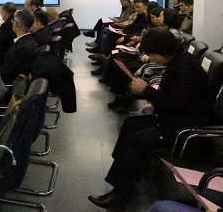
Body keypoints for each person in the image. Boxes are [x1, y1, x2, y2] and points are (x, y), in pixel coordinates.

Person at [88, 28, 215, 212]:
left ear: (162, 50)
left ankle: (120, 196)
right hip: (172, 118)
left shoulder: (185, 69)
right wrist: (154, 104)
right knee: (131, 124)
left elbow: (175, 104)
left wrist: (147, 91)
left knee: (135, 141)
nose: (152, 58)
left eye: (153, 54)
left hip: (181, 129)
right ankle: (123, 177)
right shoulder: (178, 62)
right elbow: (174, 98)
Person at [0, 8, 41, 83]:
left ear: (16, 24)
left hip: (10, 84)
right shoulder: (30, 40)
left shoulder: (21, 48)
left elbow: (6, 75)